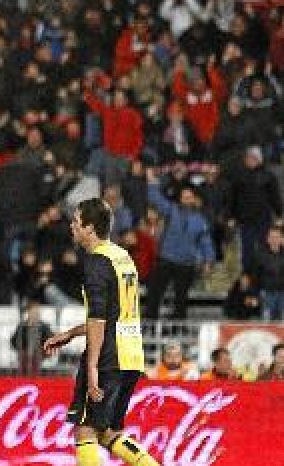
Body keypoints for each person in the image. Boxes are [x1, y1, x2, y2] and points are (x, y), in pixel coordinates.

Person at [43, 198, 161, 466]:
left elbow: (98, 318)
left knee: (85, 430)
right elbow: (113, 314)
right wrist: (71, 333)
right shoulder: (122, 256)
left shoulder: (96, 263)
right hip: (131, 355)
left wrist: (93, 366)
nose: (72, 226)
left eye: (76, 222)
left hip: (108, 357)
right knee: (108, 433)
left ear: (90, 228)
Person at [143, 169, 213, 320]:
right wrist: (152, 182)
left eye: (190, 197)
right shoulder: (171, 210)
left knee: (181, 299)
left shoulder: (200, 220)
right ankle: (149, 325)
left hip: (186, 263)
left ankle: (177, 329)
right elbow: (156, 199)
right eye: (184, 197)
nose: (187, 199)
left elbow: (205, 242)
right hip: (166, 259)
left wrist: (208, 260)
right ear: (180, 199)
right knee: (154, 294)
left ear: (194, 199)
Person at [12, 300, 55, 375]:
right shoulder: (22, 326)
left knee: (35, 357)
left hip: (40, 352)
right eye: (33, 312)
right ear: (28, 313)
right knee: (24, 357)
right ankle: (24, 377)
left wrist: (44, 348)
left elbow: (51, 339)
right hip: (25, 352)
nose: (36, 314)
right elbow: (13, 341)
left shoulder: (44, 326)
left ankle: (34, 377)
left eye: (37, 312)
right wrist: (21, 348)